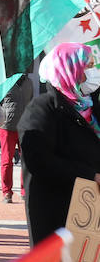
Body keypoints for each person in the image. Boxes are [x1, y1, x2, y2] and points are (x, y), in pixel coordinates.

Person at [18, 43, 100, 246]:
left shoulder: (91, 106)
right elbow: (39, 161)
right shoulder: (42, 108)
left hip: (91, 210)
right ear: (69, 70)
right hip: (58, 211)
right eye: (86, 67)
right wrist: (90, 175)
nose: (91, 72)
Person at [0, 73, 36, 204]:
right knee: (7, 161)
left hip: (24, 126)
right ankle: (7, 192)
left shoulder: (29, 82)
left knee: (27, 160)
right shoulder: (4, 81)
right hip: (6, 126)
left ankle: (25, 191)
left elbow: (30, 101)